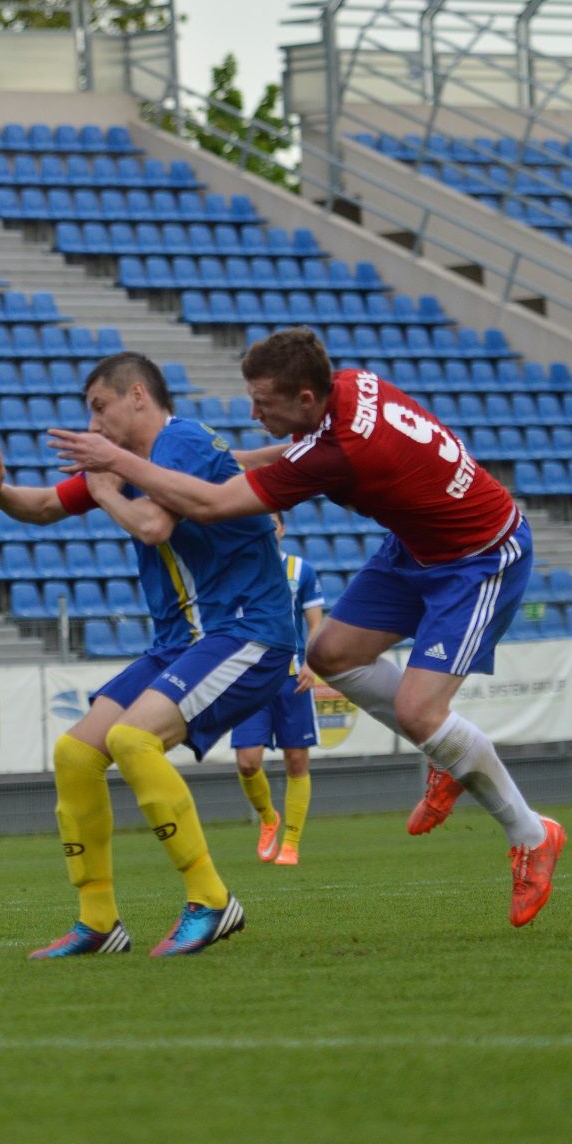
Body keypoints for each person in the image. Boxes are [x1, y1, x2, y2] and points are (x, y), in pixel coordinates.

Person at [48, 326, 563, 927]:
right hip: (417, 545)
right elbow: (282, 456)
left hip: (479, 557)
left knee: (424, 713)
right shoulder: (351, 386)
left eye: (263, 403)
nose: (253, 411)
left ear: (306, 400)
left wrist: (118, 462)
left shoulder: (340, 450)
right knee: (331, 653)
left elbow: (213, 506)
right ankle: (450, 757)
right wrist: (219, 459)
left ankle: (531, 833)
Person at [0, 352, 298, 958]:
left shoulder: (181, 441)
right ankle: (98, 922)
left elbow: (153, 526)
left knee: (131, 740)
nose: (93, 425)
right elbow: (41, 507)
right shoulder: (134, 464)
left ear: (138, 396)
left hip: (248, 632)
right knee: (75, 754)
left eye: (100, 408)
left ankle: (211, 899)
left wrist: (102, 484)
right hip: (184, 642)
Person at [230, 510, 326, 866]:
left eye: (272, 524)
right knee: (247, 761)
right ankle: (269, 818)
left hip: (291, 677)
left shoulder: (301, 570)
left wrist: (313, 663)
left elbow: (315, 623)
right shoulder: (236, 571)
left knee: (297, 760)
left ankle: (292, 842)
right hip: (250, 678)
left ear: (282, 529)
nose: (267, 530)